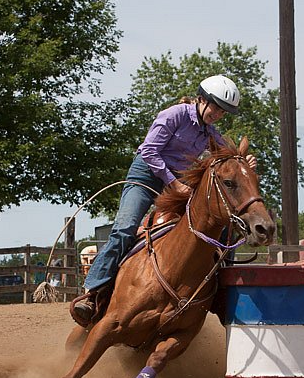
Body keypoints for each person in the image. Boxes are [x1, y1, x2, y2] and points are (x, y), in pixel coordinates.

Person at [73, 75, 257, 324]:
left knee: (219, 229)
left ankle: (220, 293)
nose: (218, 114)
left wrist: (244, 162)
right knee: (125, 228)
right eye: (216, 107)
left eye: (224, 111)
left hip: (177, 183)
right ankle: (93, 293)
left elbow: (231, 159)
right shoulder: (174, 115)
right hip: (146, 175)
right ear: (201, 100)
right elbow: (149, 150)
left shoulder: (211, 134)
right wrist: (174, 183)